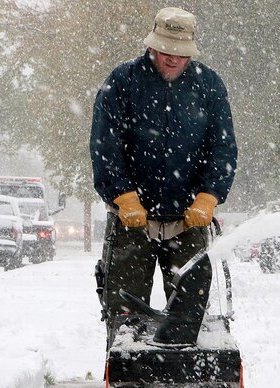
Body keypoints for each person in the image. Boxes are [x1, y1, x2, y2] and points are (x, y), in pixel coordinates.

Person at [90, 7, 237, 347]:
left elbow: (224, 148)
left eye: (180, 53)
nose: (172, 59)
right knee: (126, 320)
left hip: (188, 223)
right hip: (131, 224)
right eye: (166, 50)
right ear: (152, 46)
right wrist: (123, 195)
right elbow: (104, 146)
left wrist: (209, 196)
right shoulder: (122, 82)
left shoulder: (209, 85)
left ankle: (187, 384)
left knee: (189, 320)